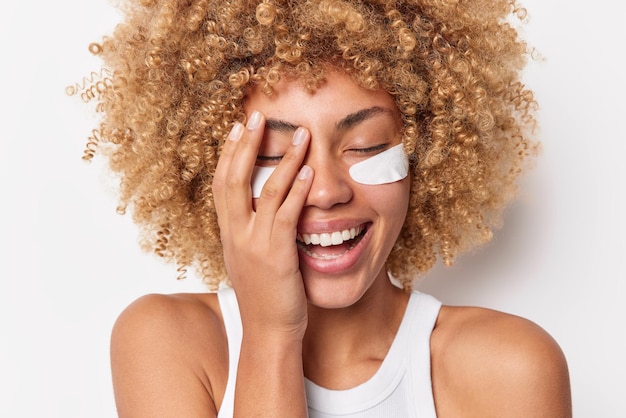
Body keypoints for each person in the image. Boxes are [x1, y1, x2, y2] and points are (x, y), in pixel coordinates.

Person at [73, 0, 572, 416]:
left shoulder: (509, 367)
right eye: (274, 156)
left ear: (426, 154)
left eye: (366, 145)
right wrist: (271, 332)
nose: (326, 191)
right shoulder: (167, 341)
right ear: (213, 173)